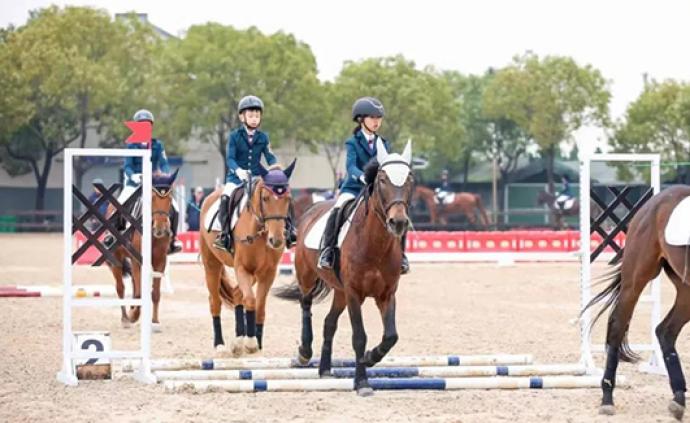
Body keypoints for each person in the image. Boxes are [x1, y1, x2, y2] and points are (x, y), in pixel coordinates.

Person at [318, 96, 409, 274]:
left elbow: (386, 167)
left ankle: (402, 255)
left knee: (400, 213)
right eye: (373, 118)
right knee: (338, 209)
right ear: (361, 119)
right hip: (353, 187)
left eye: (379, 118)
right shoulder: (352, 142)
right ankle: (327, 250)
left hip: (376, 190)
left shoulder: (383, 143)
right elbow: (351, 166)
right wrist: (362, 177)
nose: (377, 122)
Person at [214, 95, 298, 253]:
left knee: (283, 194)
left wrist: (276, 168)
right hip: (236, 178)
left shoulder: (263, 137)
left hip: (257, 178)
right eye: (251, 115)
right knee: (226, 196)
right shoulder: (234, 136)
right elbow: (230, 158)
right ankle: (224, 234)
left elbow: (269, 155)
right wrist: (238, 171)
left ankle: (291, 230)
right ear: (242, 117)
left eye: (257, 116)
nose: (254, 119)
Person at [104, 109, 182, 254]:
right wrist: (134, 176)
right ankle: (112, 234)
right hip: (135, 183)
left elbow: (163, 163)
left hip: (153, 184)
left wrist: (165, 173)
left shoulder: (157, 145)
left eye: (148, 125)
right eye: (142, 125)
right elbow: (127, 166)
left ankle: (173, 239)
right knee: (120, 202)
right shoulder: (131, 145)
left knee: (175, 207)